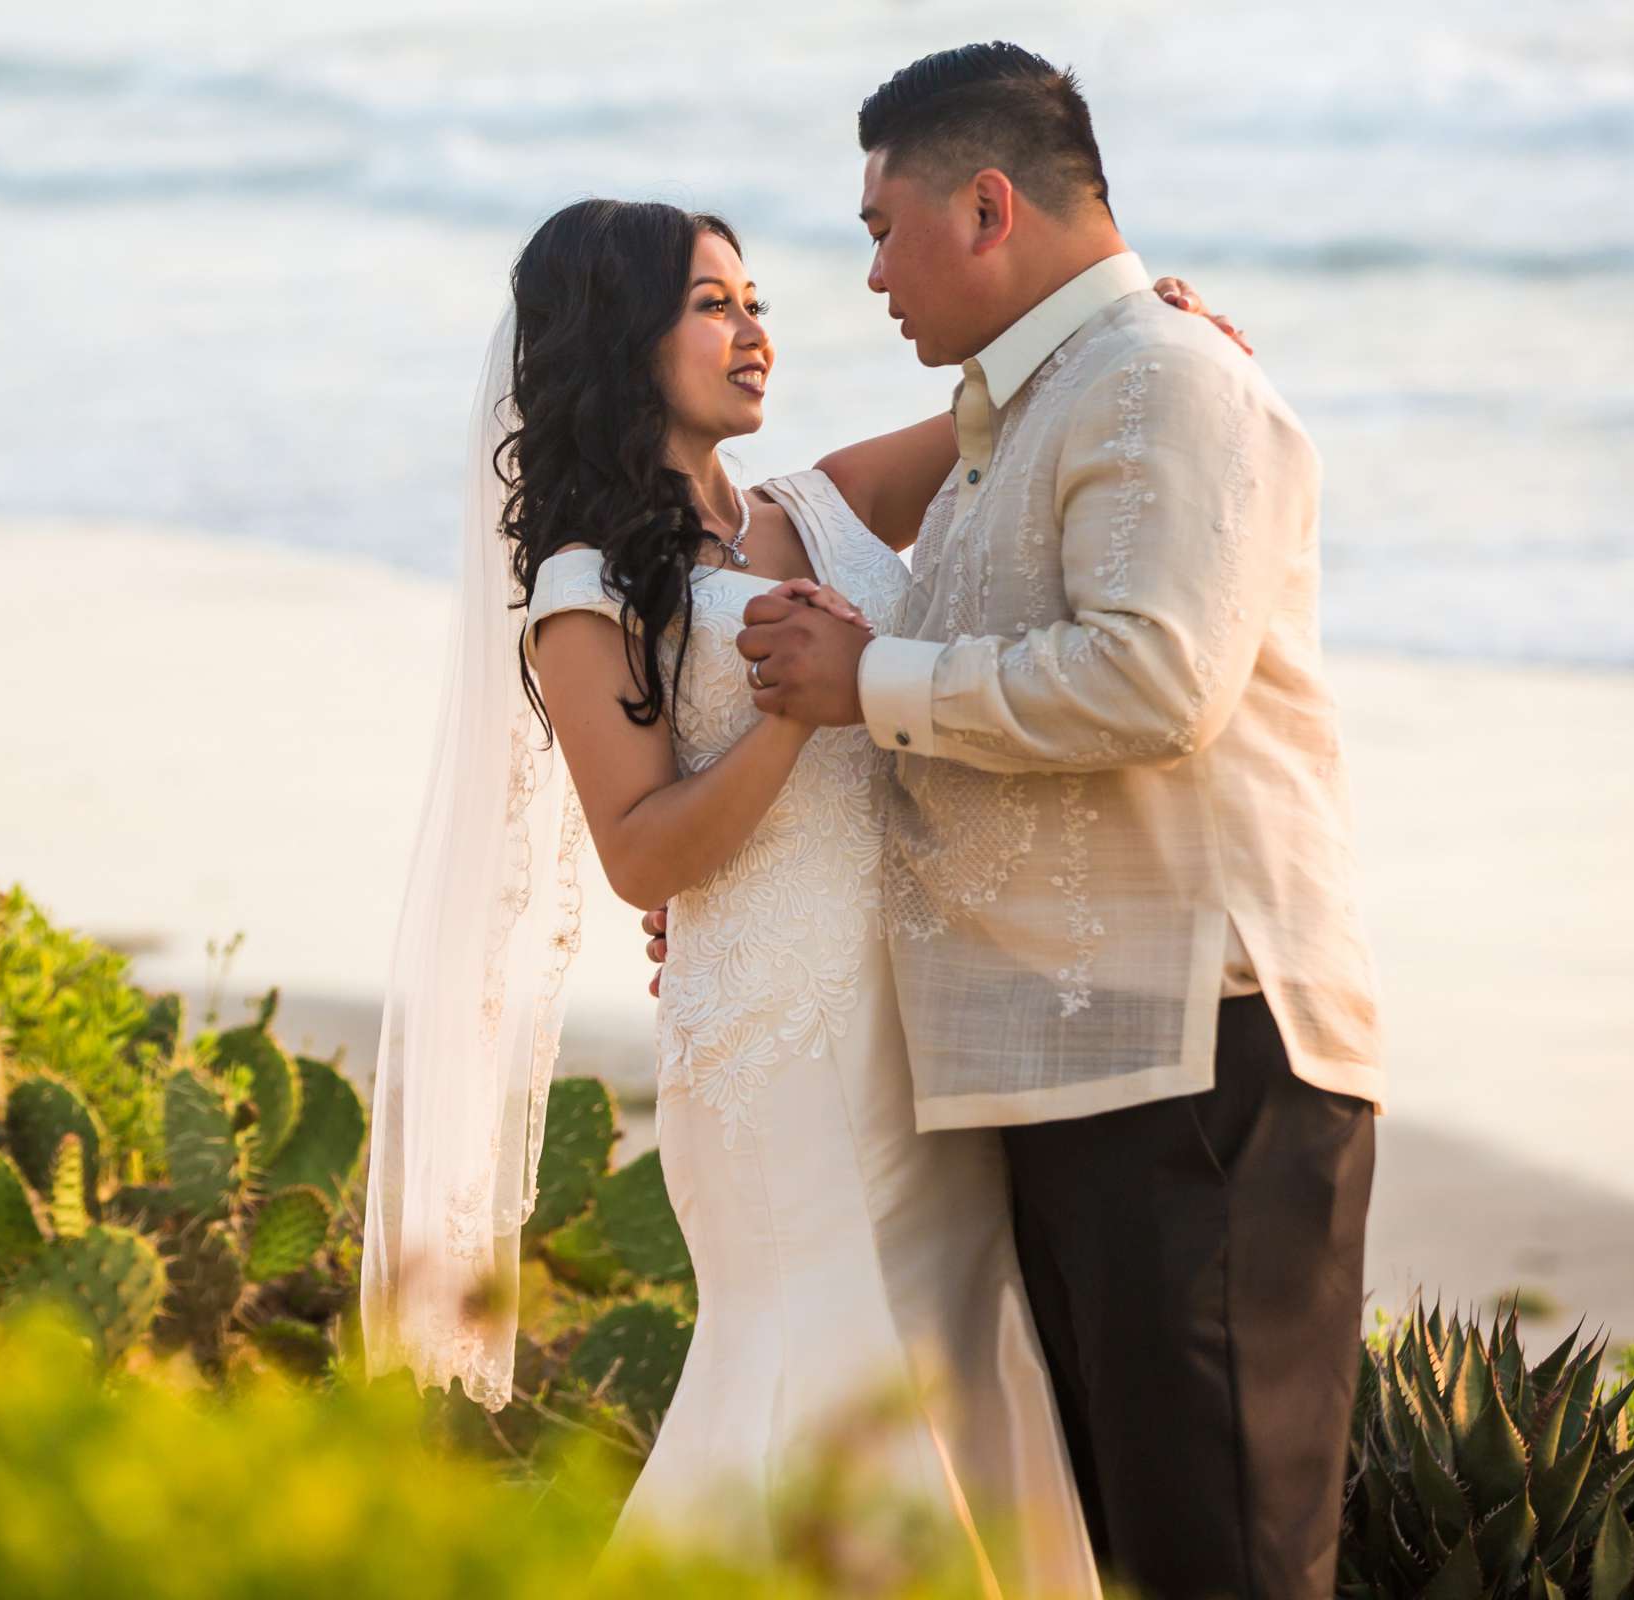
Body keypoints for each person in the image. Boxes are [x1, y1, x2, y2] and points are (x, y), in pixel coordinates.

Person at [363, 185, 1245, 1587]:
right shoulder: (587, 588)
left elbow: (1015, 403)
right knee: (822, 1371)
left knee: (953, 1353)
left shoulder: (819, 503)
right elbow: (643, 852)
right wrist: (795, 709)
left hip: (921, 1022)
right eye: (713, 306)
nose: (755, 332)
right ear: (616, 339)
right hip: (774, 1047)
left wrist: (1151, 332)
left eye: (758, 302)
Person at [700, 42, 1388, 1600]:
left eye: (883, 225)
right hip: (1087, 1070)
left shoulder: (1167, 378)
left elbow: (1154, 682)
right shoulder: (1026, 409)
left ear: (988, 206)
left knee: (1224, 1563)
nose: (868, 272)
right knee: (1146, 1559)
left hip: (1204, 1057)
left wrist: (872, 677)